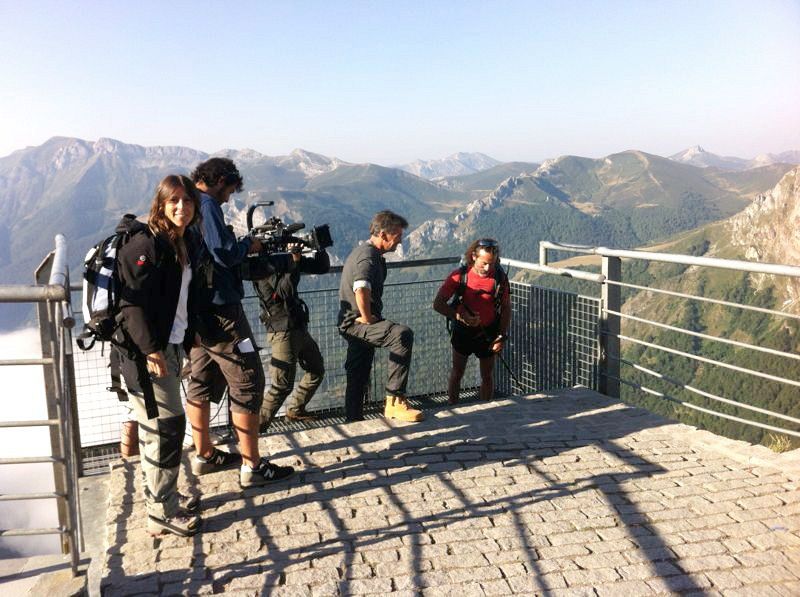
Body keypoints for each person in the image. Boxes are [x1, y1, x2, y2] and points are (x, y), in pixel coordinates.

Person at [185, 157, 294, 488]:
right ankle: (253, 466)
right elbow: (224, 253)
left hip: (196, 311)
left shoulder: (188, 202)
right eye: (230, 189)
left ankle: (204, 454)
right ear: (220, 180)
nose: (229, 197)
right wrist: (250, 243)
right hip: (222, 310)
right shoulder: (207, 204)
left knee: (201, 378)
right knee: (248, 379)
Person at [116, 174, 202, 536]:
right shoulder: (147, 244)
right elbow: (129, 303)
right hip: (146, 351)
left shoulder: (179, 241)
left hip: (169, 343)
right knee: (166, 428)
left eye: (188, 201)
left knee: (161, 428)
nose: (182, 207)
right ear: (162, 204)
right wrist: (151, 349)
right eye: (174, 201)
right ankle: (160, 513)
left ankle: (162, 499)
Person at [338, 210, 423, 423]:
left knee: (358, 373)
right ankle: (395, 401)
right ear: (384, 234)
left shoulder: (368, 253)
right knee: (401, 335)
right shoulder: (368, 255)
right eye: (397, 236)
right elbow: (361, 287)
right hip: (357, 323)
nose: (400, 242)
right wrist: (366, 317)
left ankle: (353, 421)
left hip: (350, 322)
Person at [256, 242, 330, 431]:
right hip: (282, 331)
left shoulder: (285, 261)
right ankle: (256, 428)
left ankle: (296, 409)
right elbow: (284, 291)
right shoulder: (263, 267)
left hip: (298, 326)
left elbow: (321, 268)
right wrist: (294, 262)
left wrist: (318, 247)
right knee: (282, 385)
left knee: (316, 369)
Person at [433, 238, 511, 404]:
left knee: (486, 376)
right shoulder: (459, 276)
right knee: (457, 373)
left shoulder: (499, 278)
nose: (488, 268)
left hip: (488, 333)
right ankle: (452, 408)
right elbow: (437, 304)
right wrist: (461, 317)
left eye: (492, 263)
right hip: (464, 332)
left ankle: (486, 408)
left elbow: (506, 308)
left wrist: (501, 336)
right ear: (474, 257)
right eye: (484, 263)